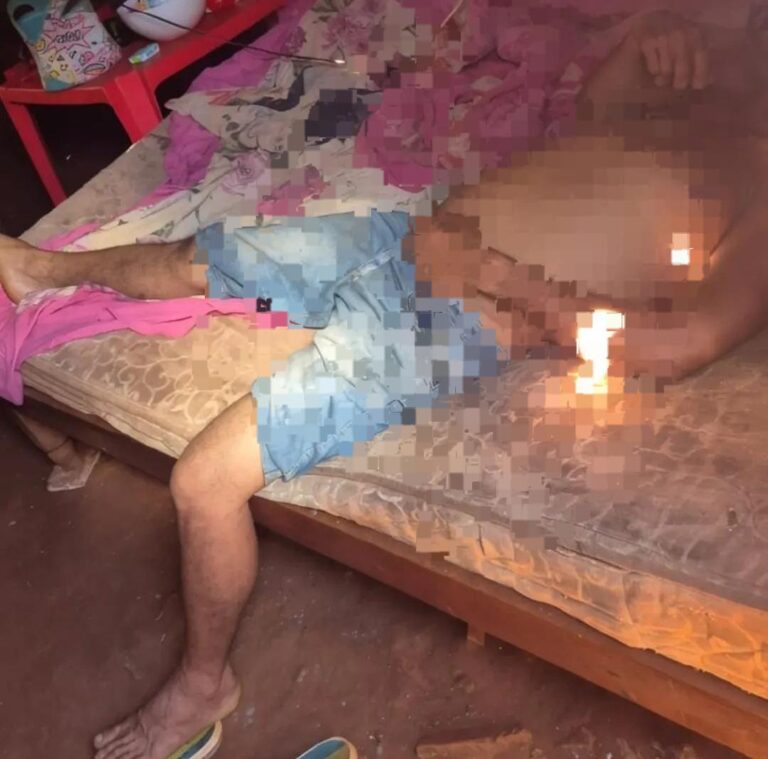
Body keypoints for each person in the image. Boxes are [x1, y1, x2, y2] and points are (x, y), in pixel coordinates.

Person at [1, 10, 766, 759]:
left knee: (204, 481)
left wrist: (505, 280)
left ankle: (205, 686)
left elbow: (679, 342)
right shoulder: (694, 102)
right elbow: (594, 113)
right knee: (199, 260)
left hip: (443, 318)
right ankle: (39, 269)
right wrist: (646, 39)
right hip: (410, 236)